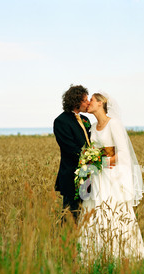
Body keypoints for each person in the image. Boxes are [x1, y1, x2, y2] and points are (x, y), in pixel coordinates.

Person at [78, 92, 144, 262]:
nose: (89, 103)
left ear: (101, 103)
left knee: (115, 210)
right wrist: (91, 161)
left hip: (112, 174)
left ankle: (121, 253)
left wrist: (103, 162)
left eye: (92, 100)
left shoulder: (114, 124)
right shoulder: (93, 126)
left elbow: (123, 151)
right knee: (95, 210)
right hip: (98, 175)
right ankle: (95, 254)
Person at [53, 85, 92, 223]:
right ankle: (64, 242)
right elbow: (70, 149)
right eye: (85, 100)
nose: (88, 103)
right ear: (76, 102)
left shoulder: (86, 120)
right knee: (70, 215)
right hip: (72, 176)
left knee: (85, 213)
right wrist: (94, 159)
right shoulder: (61, 121)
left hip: (89, 174)